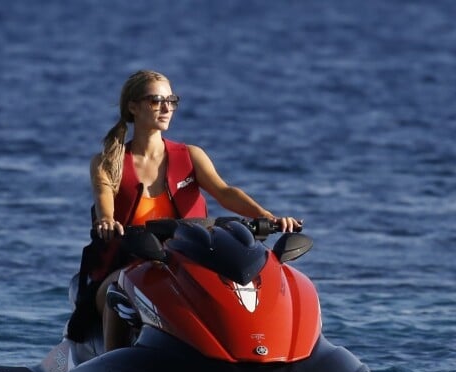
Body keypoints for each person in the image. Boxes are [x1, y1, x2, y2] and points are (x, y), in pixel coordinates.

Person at [71, 69, 301, 351]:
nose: (167, 108)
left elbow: (225, 192)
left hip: (187, 261)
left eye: (171, 100)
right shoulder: (108, 161)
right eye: (156, 100)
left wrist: (267, 217)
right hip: (126, 262)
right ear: (133, 106)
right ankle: (111, 368)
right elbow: (103, 197)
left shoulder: (190, 156)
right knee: (119, 288)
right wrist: (107, 220)